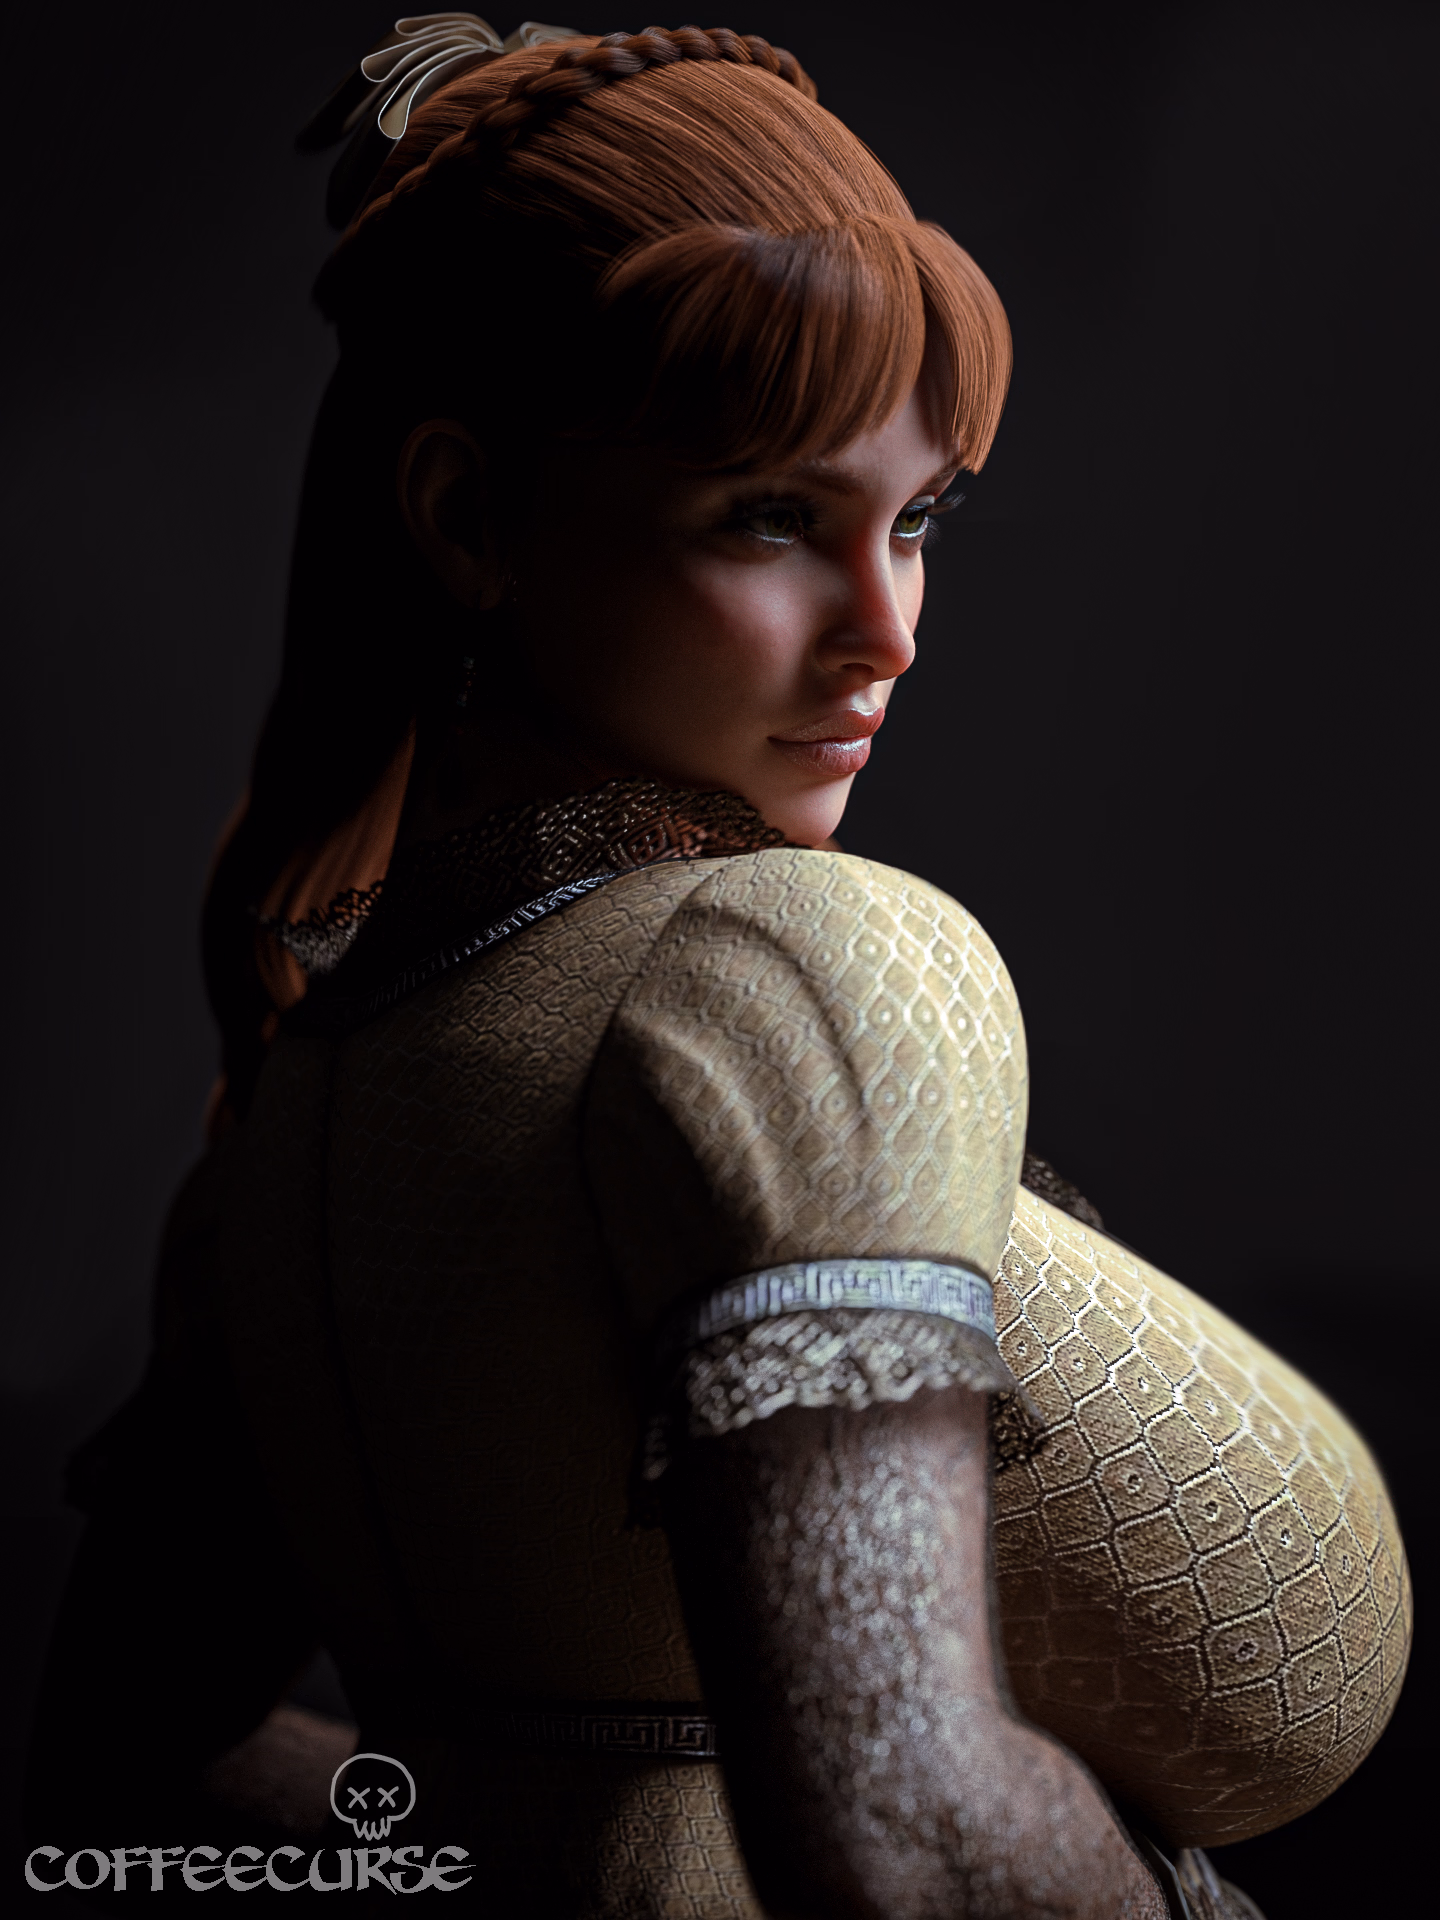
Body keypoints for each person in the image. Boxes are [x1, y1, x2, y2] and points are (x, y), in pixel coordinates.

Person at [26, 19, 1408, 1918]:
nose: (888, 631)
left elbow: (126, 1750)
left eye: (916, 521)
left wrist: (519, 1845)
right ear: (466, 518)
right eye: (771, 517)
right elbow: (903, 1828)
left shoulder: (282, 1130)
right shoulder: (784, 967)